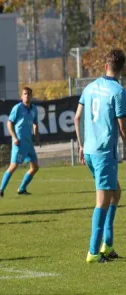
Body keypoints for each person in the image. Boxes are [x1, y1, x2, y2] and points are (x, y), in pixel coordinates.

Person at [74, 49, 126, 263]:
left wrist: (81, 144)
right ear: (122, 69)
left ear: (105, 66)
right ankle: (94, 252)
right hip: (104, 152)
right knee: (103, 201)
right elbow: (123, 127)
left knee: (116, 194)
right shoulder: (118, 91)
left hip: (89, 151)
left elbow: (77, 118)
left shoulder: (90, 87)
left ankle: (109, 244)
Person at [0, 87, 40, 197]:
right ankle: (0, 190)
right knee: (13, 166)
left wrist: (37, 138)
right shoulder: (17, 108)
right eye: (25, 94)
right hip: (19, 143)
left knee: (35, 167)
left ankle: (22, 189)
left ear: (31, 96)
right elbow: (9, 123)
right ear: (21, 96)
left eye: (29, 94)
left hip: (29, 143)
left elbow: (35, 123)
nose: (27, 96)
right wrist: (14, 138)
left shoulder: (34, 109)